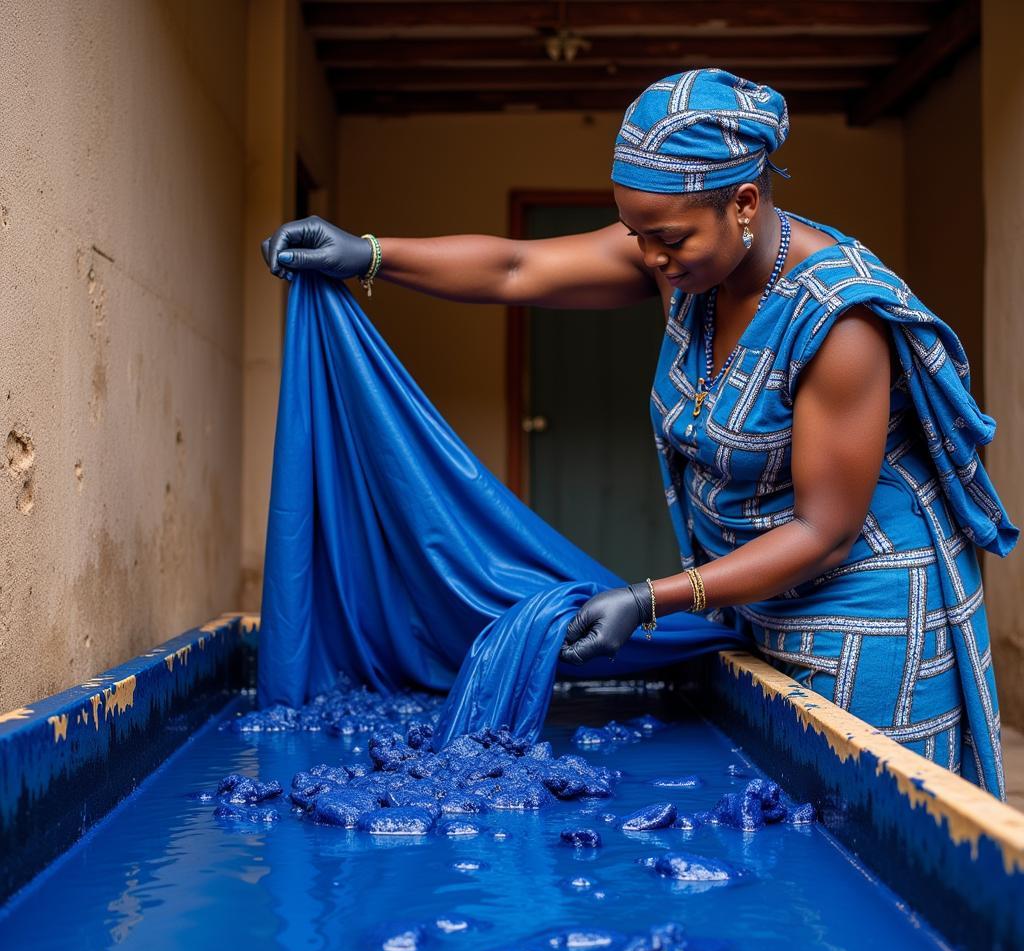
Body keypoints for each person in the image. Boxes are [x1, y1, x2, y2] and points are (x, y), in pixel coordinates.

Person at [262, 69, 1016, 798]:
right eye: (635, 232)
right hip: (754, 599)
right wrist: (369, 254)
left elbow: (823, 531)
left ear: (744, 202)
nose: (649, 257)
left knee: (851, 844)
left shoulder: (838, 322)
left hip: (863, 615)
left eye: (669, 239)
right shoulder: (684, 258)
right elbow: (516, 268)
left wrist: (649, 599)